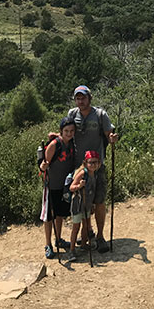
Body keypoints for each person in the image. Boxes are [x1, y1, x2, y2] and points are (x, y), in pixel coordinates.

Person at [67, 85, 118, 252]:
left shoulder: (100, 115)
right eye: (78, 98)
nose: (80, 101)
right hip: (80, 166)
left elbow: (109, 134)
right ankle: (87, 232)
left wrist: (112, 138)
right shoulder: (72, 114)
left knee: (100, 201)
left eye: (83, 98)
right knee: (83, 202)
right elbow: (67, 133)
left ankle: (101, 236)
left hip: (97, 165)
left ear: (90, 98)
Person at [39, 116, 76, 258]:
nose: (69, 133)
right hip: (51, 185)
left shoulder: (72, 144)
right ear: (61, 131)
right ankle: (48, 244)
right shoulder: (55, 144)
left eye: (72, 130)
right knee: (49, 216)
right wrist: (43, 167)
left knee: (59, 214)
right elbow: (44, 164)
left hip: (64, 186)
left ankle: (58, 239)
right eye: (66, 130)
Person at [66, 149, 101, 262]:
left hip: (87, 204)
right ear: (85, 163)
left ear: (99, 163)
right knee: (76, 227)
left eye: (95, 162)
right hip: (78, 204)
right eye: (91, 162)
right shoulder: (82, 173)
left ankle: (84, 245)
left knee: (86, 226)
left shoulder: (94, 174)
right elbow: (71, 187)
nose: (93, 165)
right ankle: (72, 250)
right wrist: (79, 186)